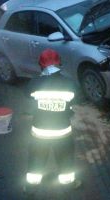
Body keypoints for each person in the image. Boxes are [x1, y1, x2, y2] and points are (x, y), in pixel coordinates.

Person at [24, 49, 81, 192]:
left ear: (41, 65)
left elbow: (28, 95)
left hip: (39, 133)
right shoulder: (69, 83)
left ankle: (30, 189)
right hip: (62, 133)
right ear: (59, 64)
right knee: (65, 160)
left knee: (36, 161)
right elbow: (77, 98)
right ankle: (68, 185)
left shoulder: (34, 83)